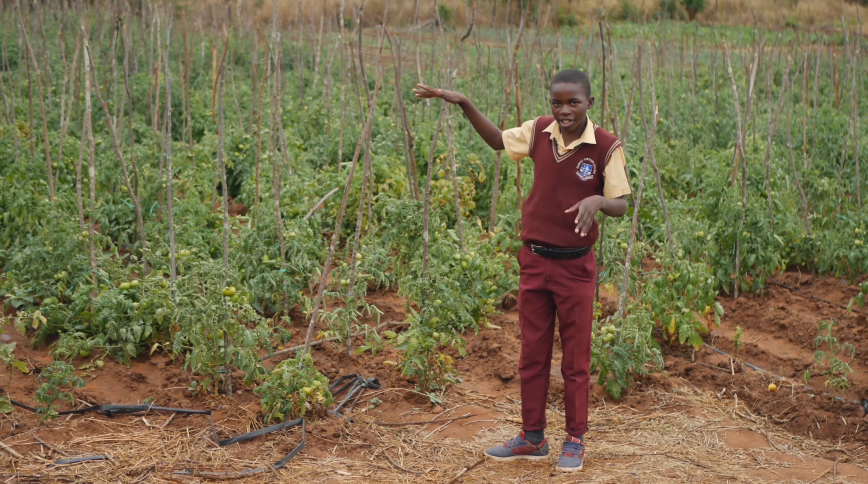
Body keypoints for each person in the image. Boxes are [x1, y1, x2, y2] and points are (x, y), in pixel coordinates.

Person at [414, 69, 630, 472]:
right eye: (557, 102)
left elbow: (621, 203)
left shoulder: (605, 146)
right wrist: (463, 102)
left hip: (575, 267)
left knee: (575, 359)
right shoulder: (539, 132)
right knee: (531, 354)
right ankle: (533, 437)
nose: (564, 111)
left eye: (573, 103)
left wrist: (598, 200)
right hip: (534, 260)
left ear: (590, 103)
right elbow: (498, 140)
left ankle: (574, 440)